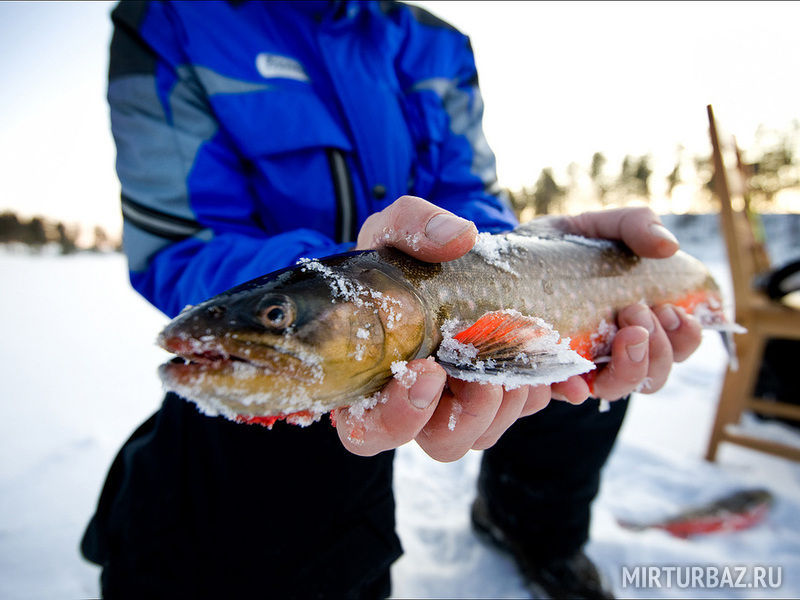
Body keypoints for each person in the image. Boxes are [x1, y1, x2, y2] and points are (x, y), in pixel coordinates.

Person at [81, 2, 702, 598]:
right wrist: (326, 285)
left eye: (277, 318)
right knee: (245, 524)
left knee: (587, 358)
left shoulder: (439, 42)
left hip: (426, 305)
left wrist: (525, 250)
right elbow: (183, 240)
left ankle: (535, 529)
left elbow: (474, 202)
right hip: (296, 324)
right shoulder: (168, 18)